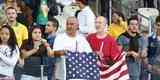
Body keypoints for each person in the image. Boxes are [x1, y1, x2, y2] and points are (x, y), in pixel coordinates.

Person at [117, 16, 147, 80]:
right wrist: (130, 53)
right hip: (123, 70)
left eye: (136, 24)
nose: (134, 26)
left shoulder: (141, 38)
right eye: (132, 24)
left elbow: (144, 53)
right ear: (128, 26)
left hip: (137, 70)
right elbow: (117, 54)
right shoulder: (122, 37)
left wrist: (143, 54)